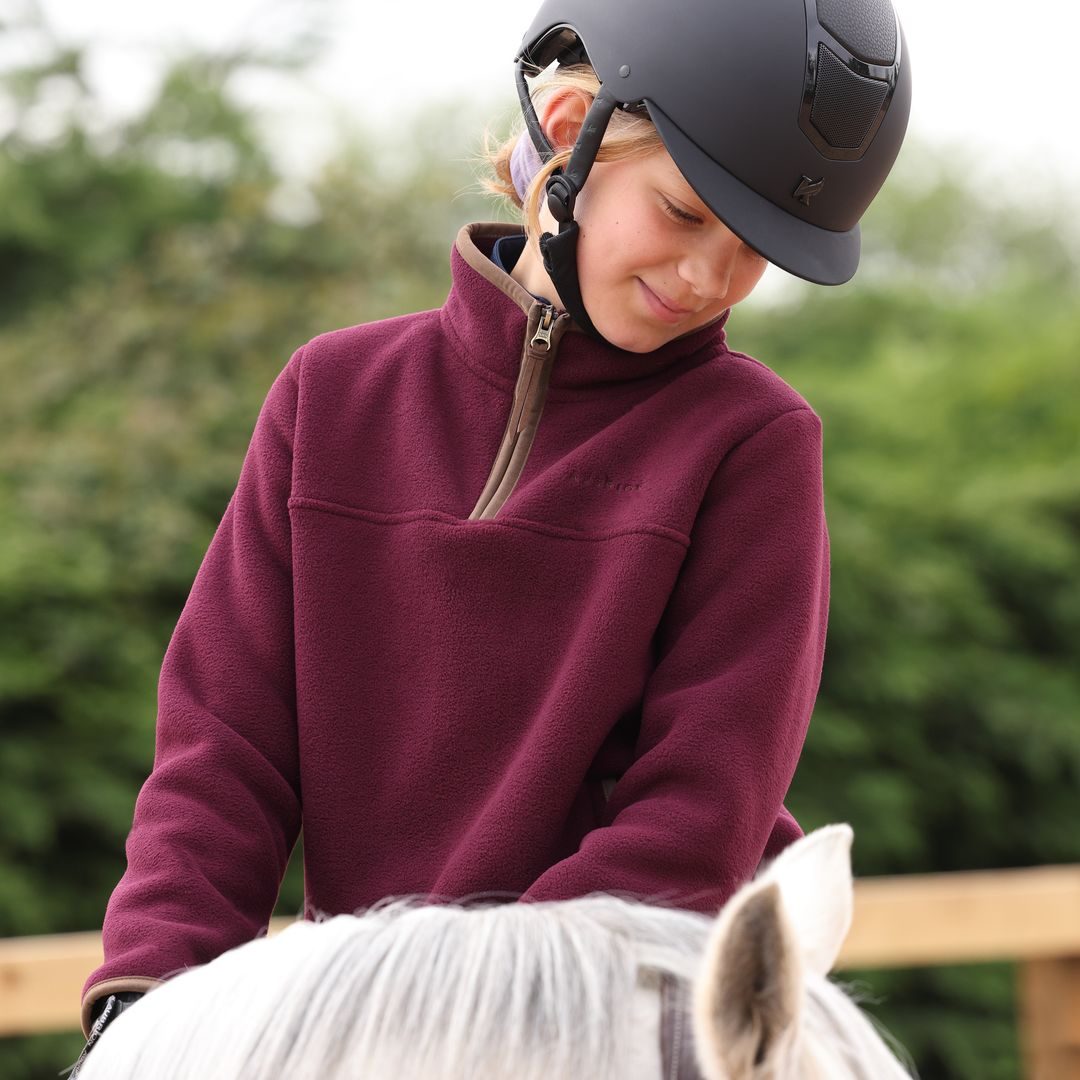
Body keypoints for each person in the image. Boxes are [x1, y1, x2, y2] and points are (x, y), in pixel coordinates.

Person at [74, 0, 911, 1064]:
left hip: (616, 1018)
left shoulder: (754, 442)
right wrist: (149, 999)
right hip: (376, 1029)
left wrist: (476, 1017)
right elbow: (224, 747)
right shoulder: (331, 397)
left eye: (755, 253)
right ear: (569, 133)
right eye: (684, 213)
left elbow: (701, 810)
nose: (710, 278)